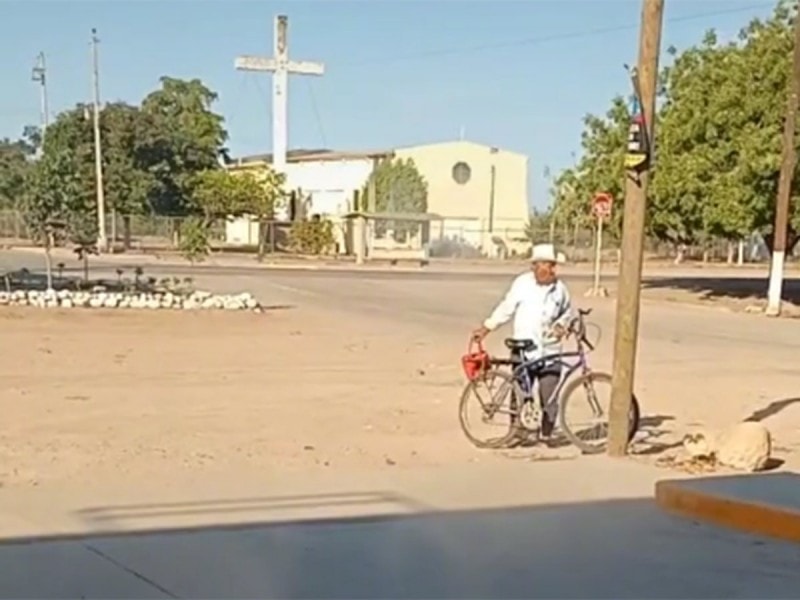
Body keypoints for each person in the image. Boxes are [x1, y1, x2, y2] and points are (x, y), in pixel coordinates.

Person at [472, 243, 573, 438]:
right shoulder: (522, 284)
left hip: (550, 351)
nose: (552, 270)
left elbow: (566, 312)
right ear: (535, 266)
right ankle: (516, 433)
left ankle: (547, 433)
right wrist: (487, 327)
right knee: (519, 393)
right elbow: (506, 308)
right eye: (548, 265)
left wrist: (562, 325)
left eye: (553, 266)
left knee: (549, 396)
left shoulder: (560, 289)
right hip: (524, 349)